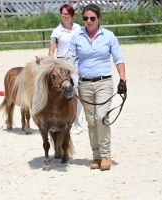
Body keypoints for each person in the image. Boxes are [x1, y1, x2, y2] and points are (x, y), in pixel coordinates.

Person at [68, 4, 127, 171]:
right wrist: (70, 81)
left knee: (102, 116)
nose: (88, 21)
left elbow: (118, 59)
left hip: (104, 83)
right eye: (86, 18)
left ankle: (106, 154)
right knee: (91, 121)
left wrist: (123, 79)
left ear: (99, 19)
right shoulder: (77, 37)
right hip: (84, 84)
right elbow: (70, 61)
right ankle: (96, 156)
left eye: (92, 18)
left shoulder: (109, 36)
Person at [48, 3, 83, 135]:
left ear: (72, 15)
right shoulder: (56, 31)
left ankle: (75, 119)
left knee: (79, 91)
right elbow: (51, 51)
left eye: (68, 13)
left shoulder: (78, 28)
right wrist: (53, 65)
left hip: (76, 62)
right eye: (63, 13)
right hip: (62, 63)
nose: (65, 16)